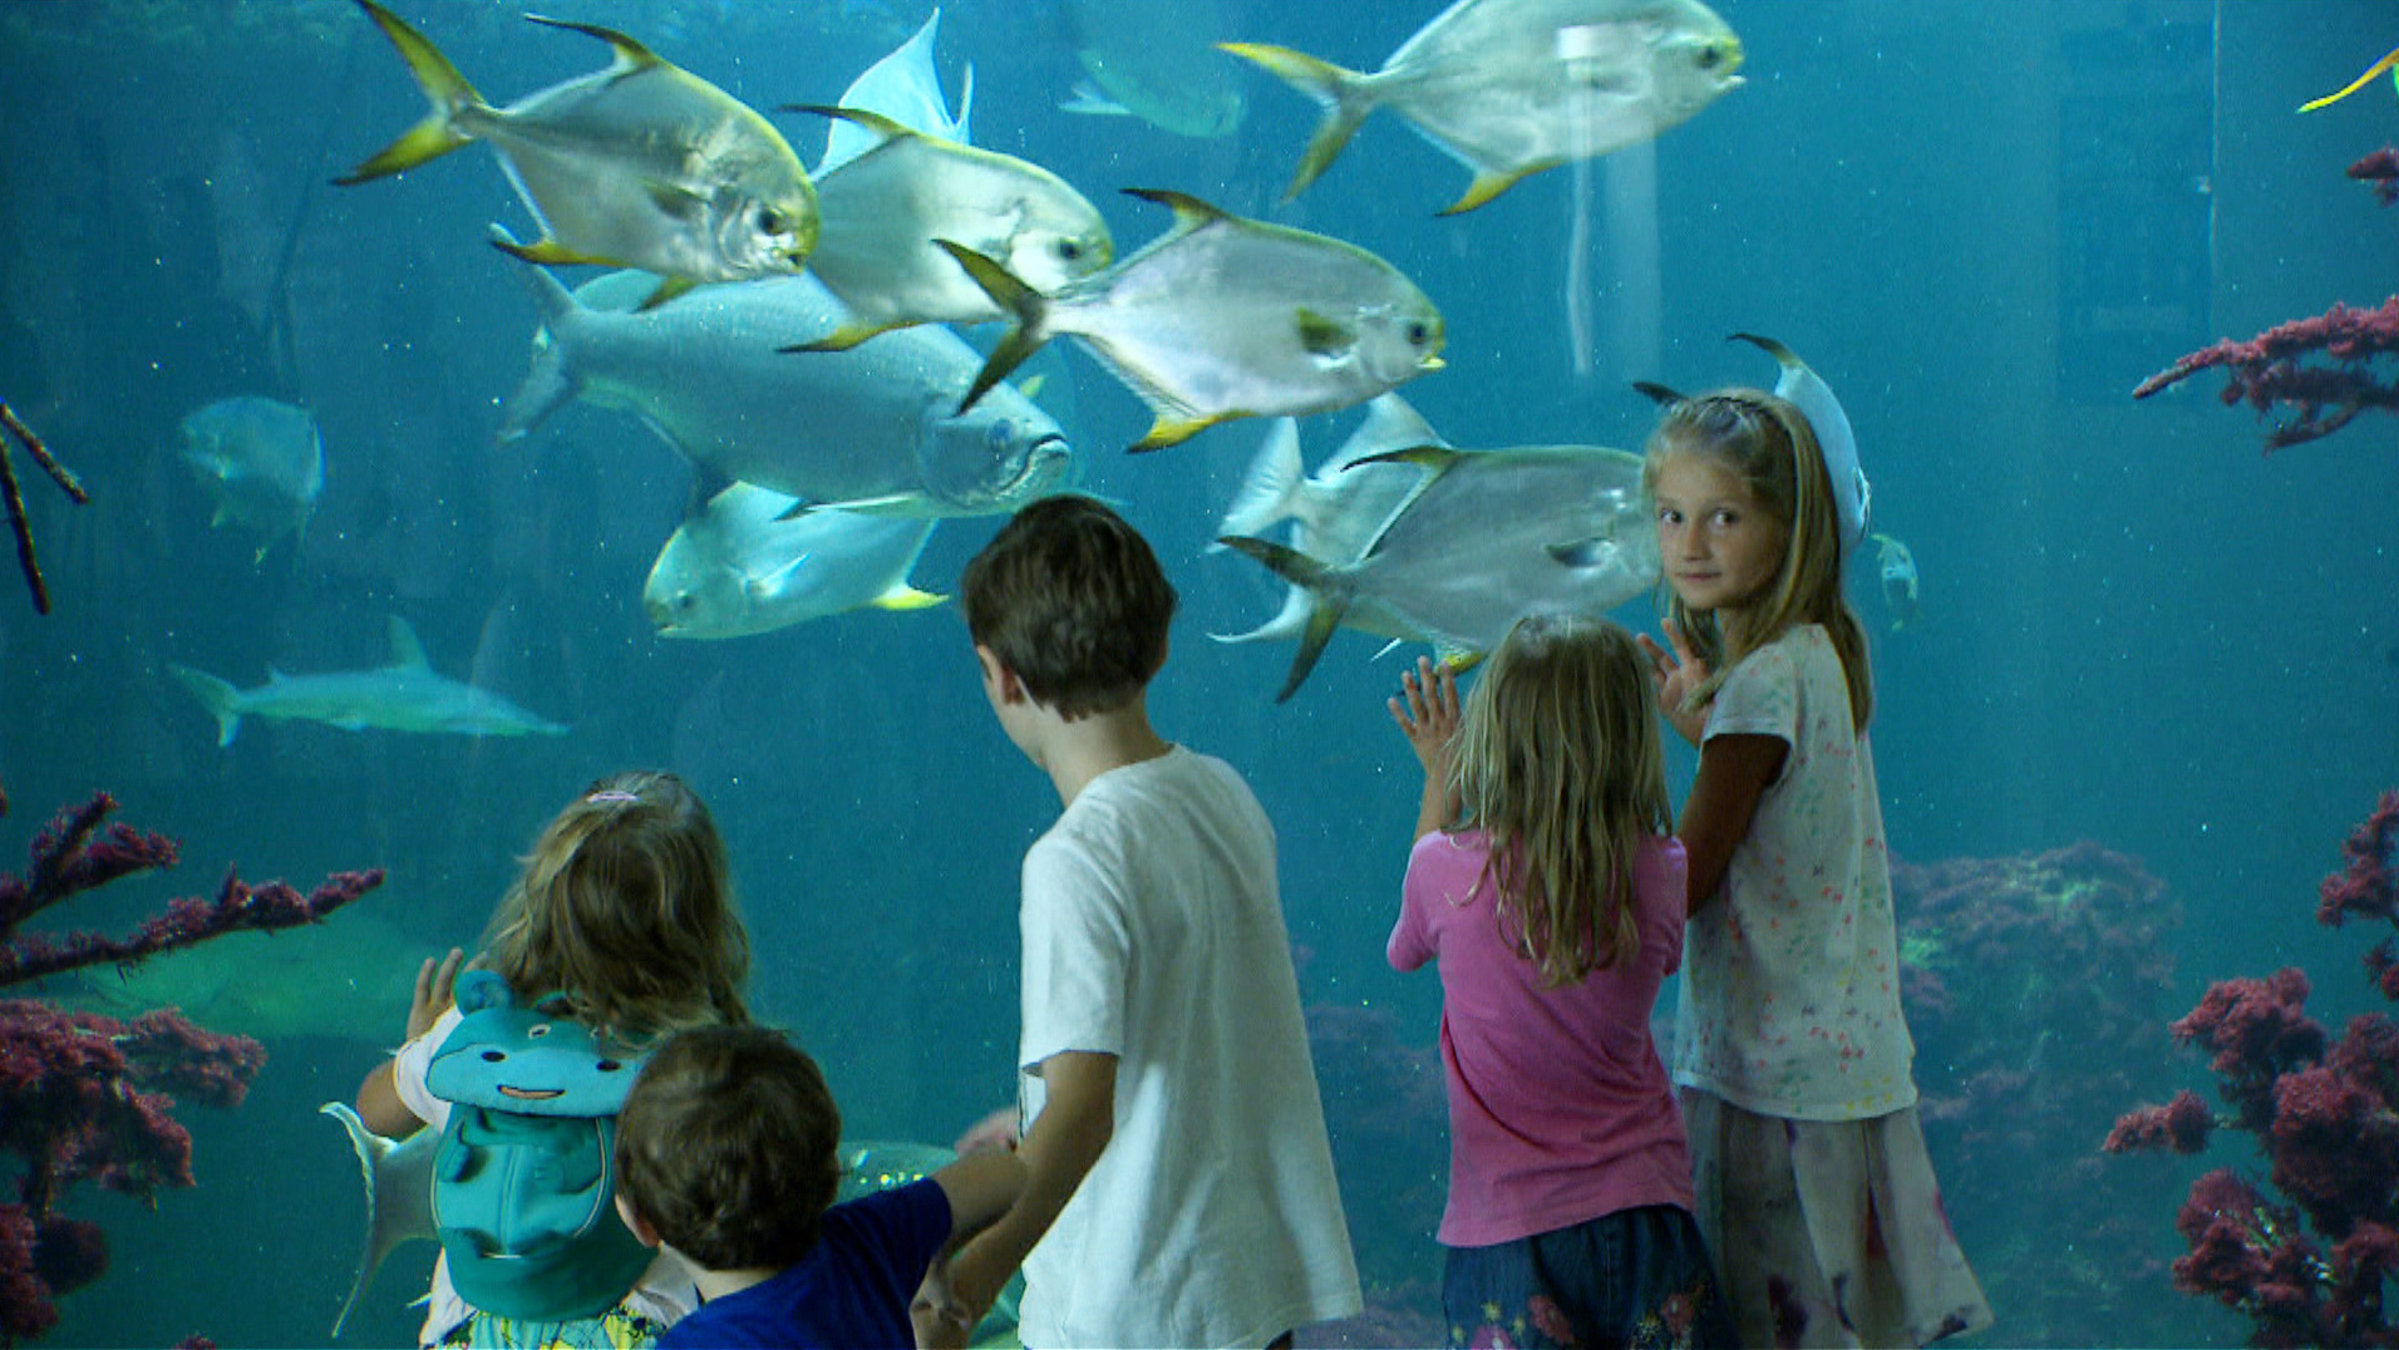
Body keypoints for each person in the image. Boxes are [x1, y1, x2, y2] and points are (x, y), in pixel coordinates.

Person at [926, 494, 1362, 1350]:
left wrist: (975, 1275)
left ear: (998, 674)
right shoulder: (1223, 795)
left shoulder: (1072, 860)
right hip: (1246, 1288)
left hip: (1135, 1307)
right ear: (1162, 644)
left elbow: (1086, 1113)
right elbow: (1186, 1029)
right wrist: (1031, 1121)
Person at [1638, 390, 1994, 1346]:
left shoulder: (1758, 683)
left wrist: (1578, 854)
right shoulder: (1818, 654)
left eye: (1724, 516)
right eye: (1670, 516)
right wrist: (1707, 736)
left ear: (1791, 529)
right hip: (1845, 1067)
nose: (1691, 544)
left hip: (1768, 1080)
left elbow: (1683, 884)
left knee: (1769, 1328)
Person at [1385, 615, 1737, 1350]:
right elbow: (1666, 953)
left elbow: (1404, 951)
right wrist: (1704, 738)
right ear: (1628, 736)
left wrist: (1439, 777)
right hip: (1645, 1218)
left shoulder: (1440, 871)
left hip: (1506, 1236)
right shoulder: (1658, 868)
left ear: (1493, 732)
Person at [354, 769, 754, 1349]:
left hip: (472, 1333)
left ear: (537, 899)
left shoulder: (472, 1033)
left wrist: (421, 1048)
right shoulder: (696, 1068)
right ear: (701, 923)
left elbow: (372, 1112)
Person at [610, 1024, 1025, 1349]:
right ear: (832, 1170)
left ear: (640, 1222)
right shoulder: (870, 1241)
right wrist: (934, 1250)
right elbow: (1008, 1177)